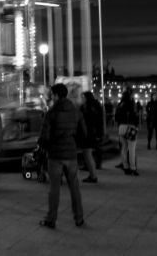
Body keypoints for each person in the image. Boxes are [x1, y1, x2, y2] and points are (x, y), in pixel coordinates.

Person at [38, 83, 86, 229]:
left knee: (54, 189)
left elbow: (44, 137)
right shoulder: (76, 111)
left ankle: (51, 219)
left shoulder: (52, 112)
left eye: (52, 94)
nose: (51, 97)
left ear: (57, 95)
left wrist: (46, 147)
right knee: (74, 187)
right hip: (71, 154)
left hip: (56, 155)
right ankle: (79, 218)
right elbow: (83, 133)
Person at [80, 91, 103, 183]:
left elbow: (91, 121)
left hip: (89, 134)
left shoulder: (89, 107)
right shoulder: (93, 106)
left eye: (83, 97)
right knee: (88, 153)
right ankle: (92, 174)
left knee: (87, 153)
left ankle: (93, 175)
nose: (81, 99)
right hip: (91, 133)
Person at [115, 88, 140, 175]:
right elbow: (135, 117)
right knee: (132, 149)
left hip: (121, 127)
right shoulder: (131, 105)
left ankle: (125, 167)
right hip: (130, 127)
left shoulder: (120, 105)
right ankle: (133, 168)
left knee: (124, 148)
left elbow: (116, 117)